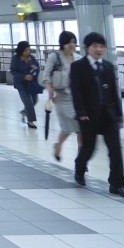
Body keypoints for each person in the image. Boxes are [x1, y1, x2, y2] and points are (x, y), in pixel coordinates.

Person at [70, 33, 124, 198]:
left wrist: (119, 113)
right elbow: (76, 92)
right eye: (94, 46)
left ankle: (117, 185)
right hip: (89, 115)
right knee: (89, 148)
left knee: (115, 151)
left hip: (108, 115)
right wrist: (81, 112)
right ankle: (80, 167)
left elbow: (114, 91)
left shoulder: (107, 66)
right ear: (86, 48)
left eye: (101, 46)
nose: (98, 50)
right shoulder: (78, 67)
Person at [42, 32, 80, 161]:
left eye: (74, 42)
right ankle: (58, 146)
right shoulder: (55, 57)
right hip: (61, 98)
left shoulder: (78, 58)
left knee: (81, 129)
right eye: (69, 42)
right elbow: (46, 75)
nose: (72, 45)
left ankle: (81, 160)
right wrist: (50, 90)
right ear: (62, 43)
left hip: (77, 98)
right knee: (67, 128)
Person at [10, 41, 41, 130]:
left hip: (31, 83)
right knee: (28, 102)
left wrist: (36, 68)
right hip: (21, 84)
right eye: (25, 50)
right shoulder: (15, 59)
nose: (28, 52)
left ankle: (24, 112)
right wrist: (24, 76)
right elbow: (13, 71)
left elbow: (37, 66)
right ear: (21, 50)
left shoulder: (31, 58)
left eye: (28, 50)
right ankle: (30, 121)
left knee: (35, 100)